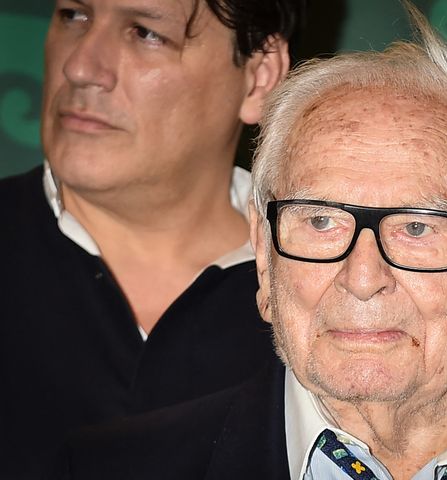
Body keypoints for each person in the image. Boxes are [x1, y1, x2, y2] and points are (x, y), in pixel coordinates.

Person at [54, 4, 447, 479]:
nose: (362, 276)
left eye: (419, 226)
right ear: (263, 251)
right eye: (319, 221)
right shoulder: (109, 469)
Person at [0, 0, 305, 478]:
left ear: (259, 77)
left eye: (145, 33)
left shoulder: (333, 295)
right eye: (73, 16)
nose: (80, 66)